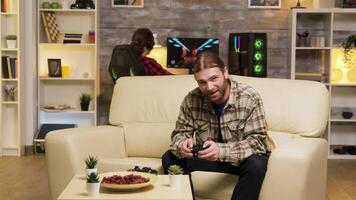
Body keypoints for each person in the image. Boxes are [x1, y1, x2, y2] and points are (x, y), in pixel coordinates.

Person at [161, 51, 272, 200]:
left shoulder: (249, 97)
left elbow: (258, 143)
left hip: (239, 160)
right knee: (169, 157)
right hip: (209, 159)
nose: (209, 87)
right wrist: (182, 145)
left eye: (214, 78)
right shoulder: (192, 99)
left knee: (257, 163)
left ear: (225, 72)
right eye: (202, 82)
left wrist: (220, 151)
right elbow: (179, 134)